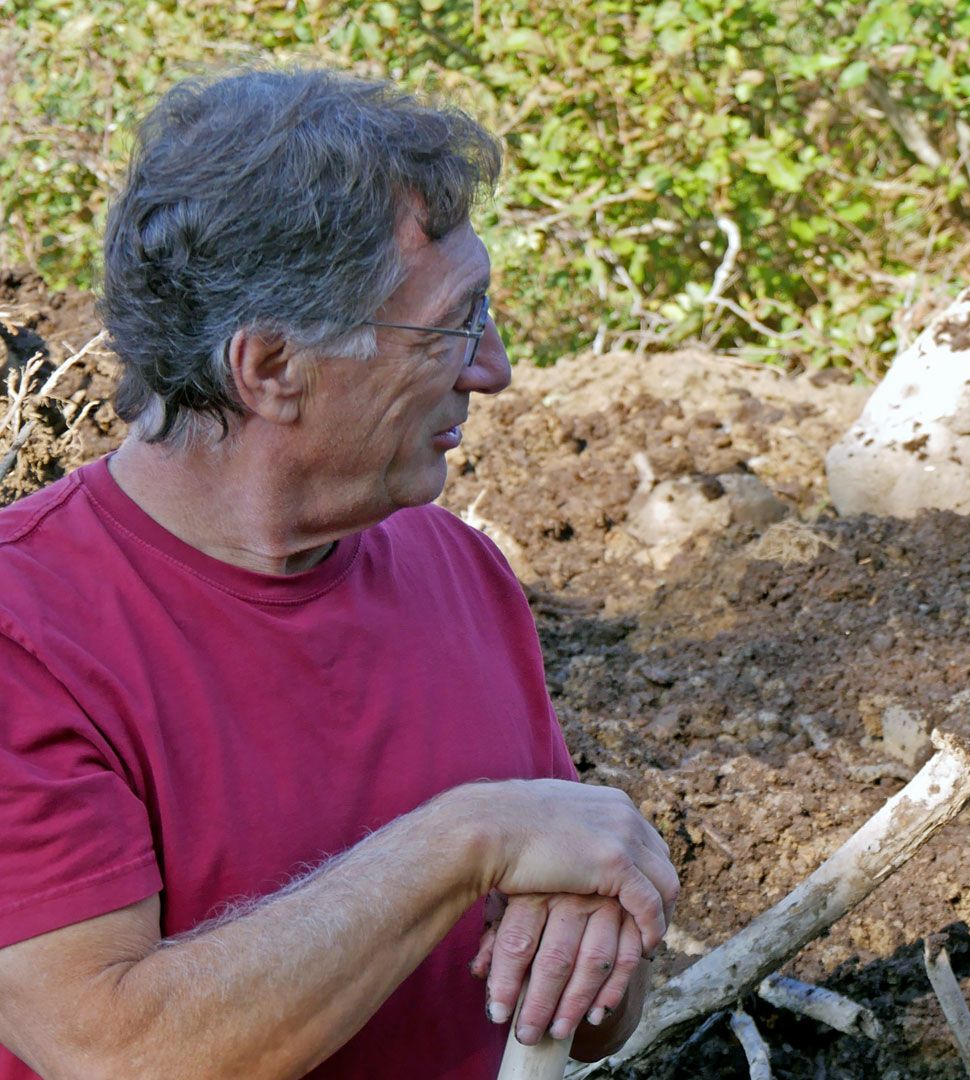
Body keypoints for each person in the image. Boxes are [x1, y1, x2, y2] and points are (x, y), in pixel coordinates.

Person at [0, 70, 678, 1078]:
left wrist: (603, 922)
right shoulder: (27, 636)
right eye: (453, 321)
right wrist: (464, 840)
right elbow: (118, 1054)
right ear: (270, 368)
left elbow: (589, 1016)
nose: (491, 368)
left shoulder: (459, 572)